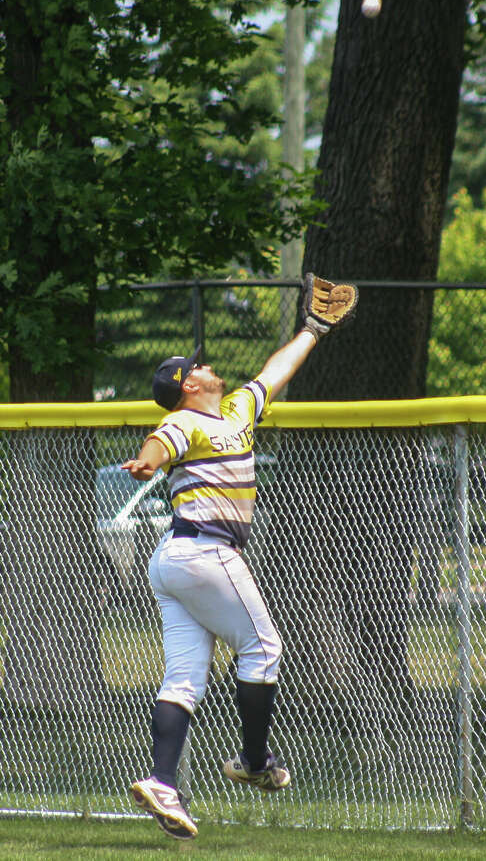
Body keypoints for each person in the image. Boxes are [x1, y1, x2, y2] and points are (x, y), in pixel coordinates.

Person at [123, 281, 353, 840]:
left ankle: (162, 782)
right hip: (204, 553)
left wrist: (313, 331)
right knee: (264, 646)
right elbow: (161, 440)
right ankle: (254, 761)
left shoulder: (236, 412)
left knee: (183, 677)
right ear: (186, 386)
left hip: (176, 560)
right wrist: (147, 463)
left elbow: (276, 373)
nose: (206, 368)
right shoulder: (188, 421)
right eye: (195, 368)